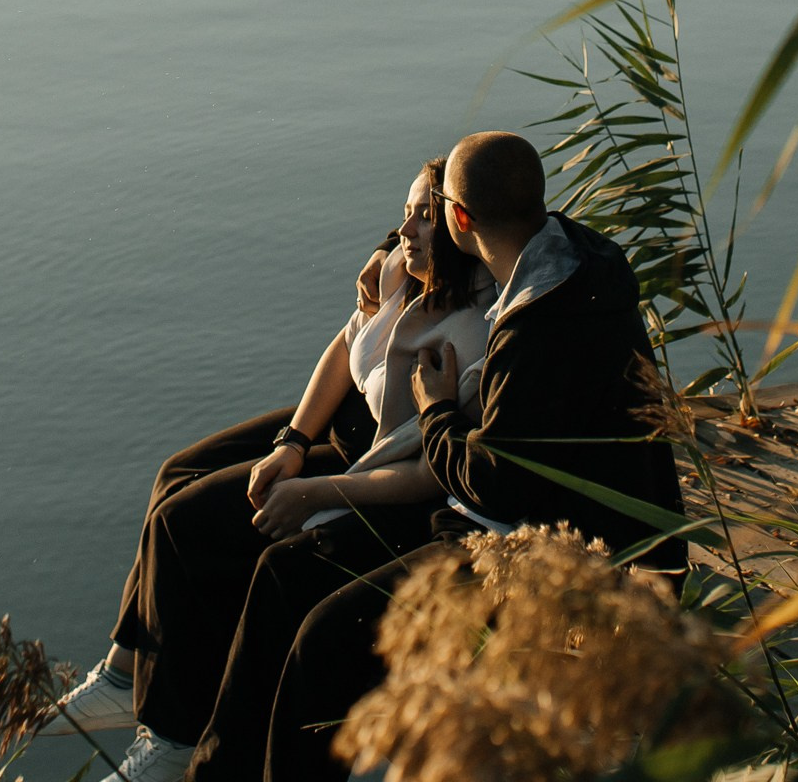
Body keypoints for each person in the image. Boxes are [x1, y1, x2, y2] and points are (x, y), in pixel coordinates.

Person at [239, 130, 686, 782]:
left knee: (324, 637)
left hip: (565, 551)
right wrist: (386, 249)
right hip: (623, 525)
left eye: (435, 208)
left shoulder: (536, 325)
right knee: (305, 594)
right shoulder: (586, 258)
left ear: (459, 219)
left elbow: (494, 486)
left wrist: (437, 406)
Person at [53, 159, 494, 782]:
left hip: (383, 473)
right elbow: (346, 347)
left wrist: (308, 488)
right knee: (177, 477)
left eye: (425, 218)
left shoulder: (467, 336)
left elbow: (430, 470)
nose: (405, 232)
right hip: (349, 433)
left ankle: (181, 741)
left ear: (460, 225)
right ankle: (132, 677)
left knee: (202, 531)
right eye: (404, 216)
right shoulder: (398, 269)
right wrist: (291, 442)